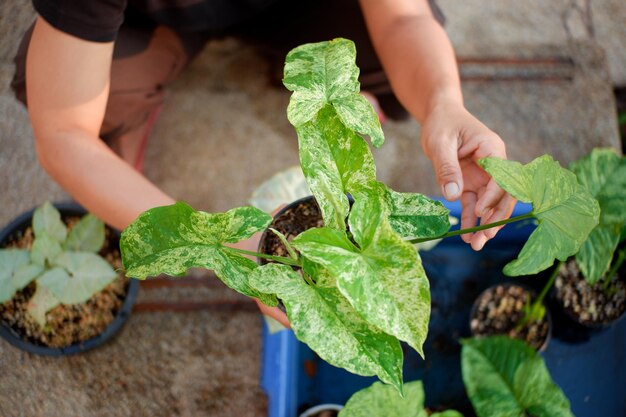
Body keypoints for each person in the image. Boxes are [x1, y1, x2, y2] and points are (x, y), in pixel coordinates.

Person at [12, 0, 515, 327]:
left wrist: (445, 104)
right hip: (156, 14)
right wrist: (227, 245)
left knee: (404, 75)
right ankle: (137, 102)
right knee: (65, 94)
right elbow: (63, 136)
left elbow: (403, 19)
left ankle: (315, 78)